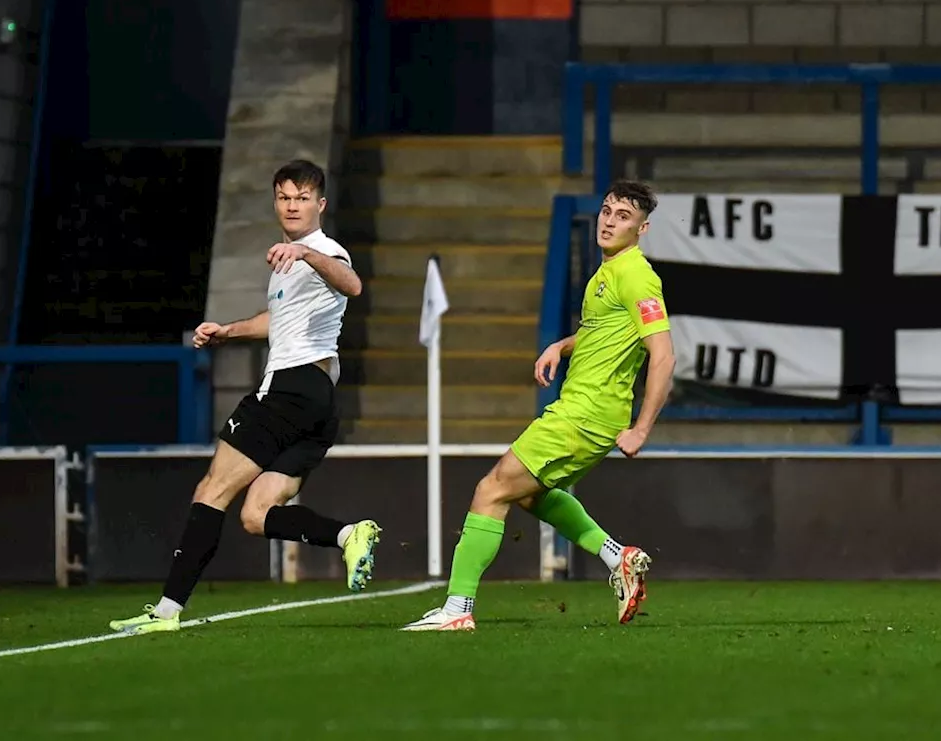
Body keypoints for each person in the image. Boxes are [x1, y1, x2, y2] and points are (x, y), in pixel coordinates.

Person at [110, 159, 381, 635]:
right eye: (284, 197)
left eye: (301, 198)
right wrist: (228, 331)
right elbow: (278, 322)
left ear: (320, 204)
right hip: (318, 402)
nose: (292, 206)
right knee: (256, 516)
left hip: (289, 388)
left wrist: (307, 257)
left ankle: (166, 612)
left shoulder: (321, 250)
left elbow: (352, 283)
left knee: (211, 490)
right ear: (276, 201)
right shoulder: (289, 258)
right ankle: (347, 534)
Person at [402, 180, 675, 632]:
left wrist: (642, 428)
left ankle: (457, 609)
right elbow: (604, 333)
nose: (609, 221)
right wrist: (562, 346)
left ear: (642, 229)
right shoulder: (608, 273)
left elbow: (663, 354)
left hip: (585, 414)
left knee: (490, 490)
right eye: (606, 211)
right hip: (584, 410)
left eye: (622, 216)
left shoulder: (635, 275)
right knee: (530, 494)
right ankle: (618, 557)